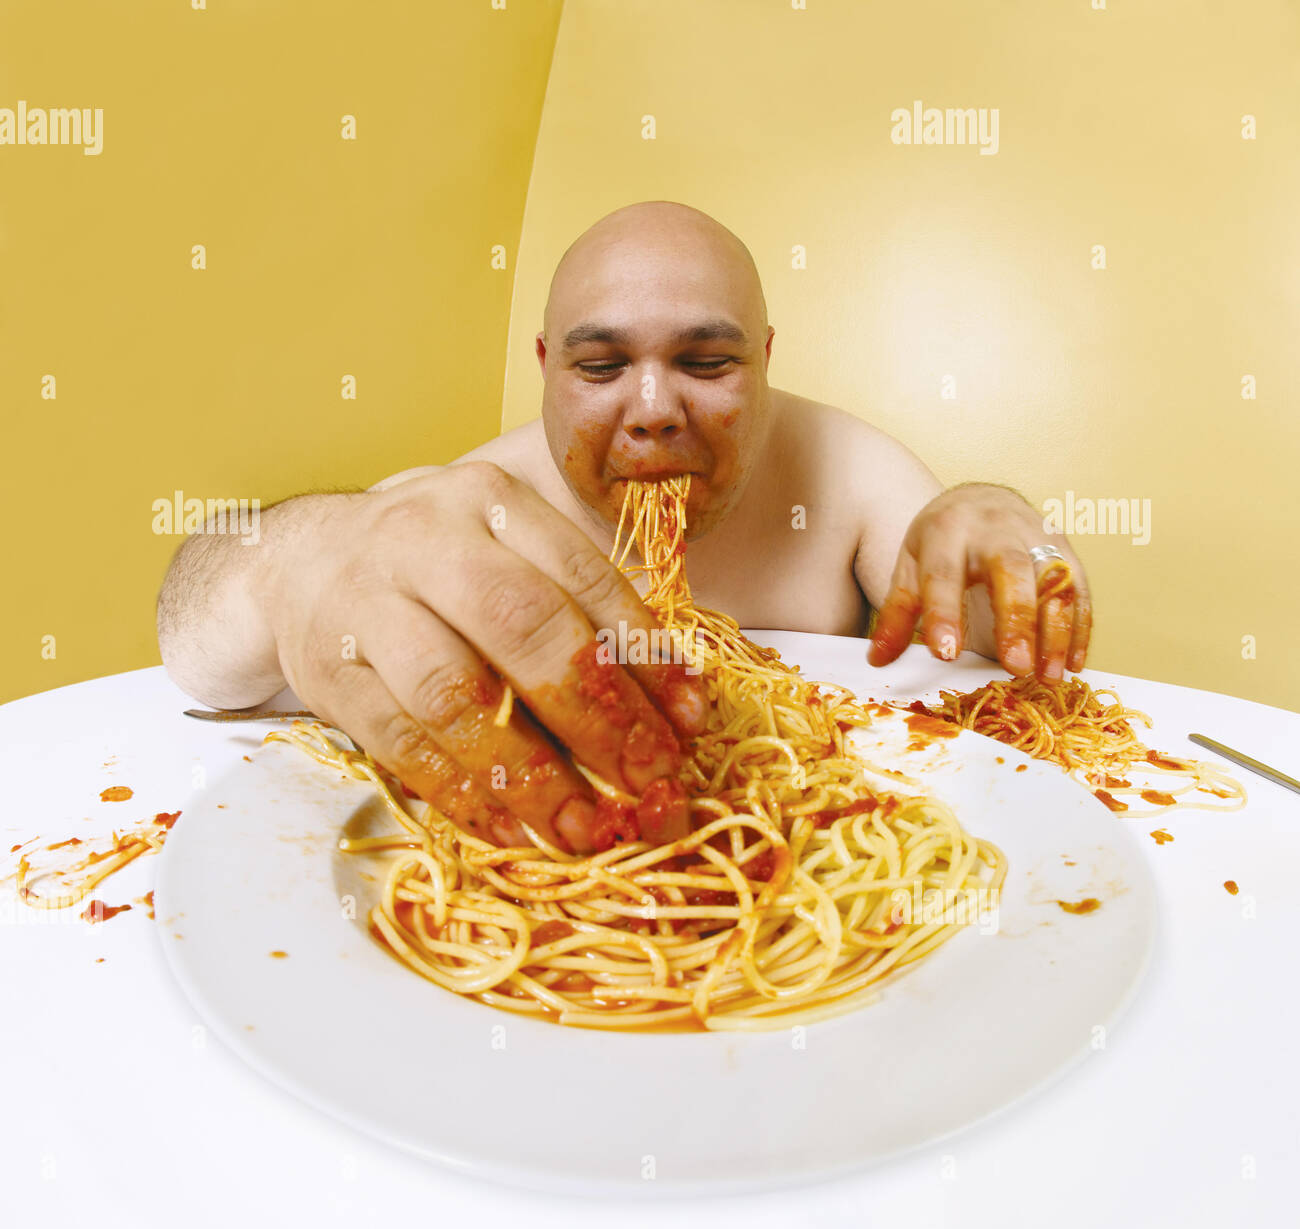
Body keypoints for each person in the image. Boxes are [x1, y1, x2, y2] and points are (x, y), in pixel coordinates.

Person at [158, 201, 1090, 855]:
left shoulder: (851, 473)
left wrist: (1010, 530)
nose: (652, 410)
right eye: (601, 367)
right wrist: (299, 560)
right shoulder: (481, 496)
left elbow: (986, 661)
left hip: (824, 841)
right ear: (545, 368)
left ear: (764, 360)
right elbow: (197, 657)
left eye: (707, 361)